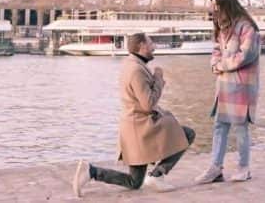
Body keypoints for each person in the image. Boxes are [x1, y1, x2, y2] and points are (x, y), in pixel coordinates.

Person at [72, 32, 195, 195]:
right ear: (142, 46)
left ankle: (92, 172)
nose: (154, 47)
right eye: (151, 44)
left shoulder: (131, 64)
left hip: (134, 128)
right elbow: (148, 104)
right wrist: (158, 78)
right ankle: (157, 175)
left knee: (134, 181)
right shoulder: (136, 70)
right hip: (142, 129)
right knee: (187, 134)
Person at [194, 0, 261, 184]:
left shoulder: (247, 27)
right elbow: (216, 49)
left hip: (242, 85)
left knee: (240, 127)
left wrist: (221, 65)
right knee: (219, 126)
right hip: (224, 84)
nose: (214, 10)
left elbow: (247, 55)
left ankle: (243, 167)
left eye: (217, 6)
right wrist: (214, 64)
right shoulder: (222, 26)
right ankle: (215, 168)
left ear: (226, 5)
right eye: (212, 6)